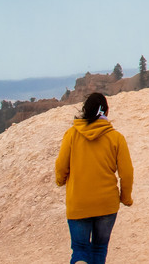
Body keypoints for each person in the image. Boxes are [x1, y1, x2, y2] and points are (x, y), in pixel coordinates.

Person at [54, 91, 132, 264]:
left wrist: (60, 180)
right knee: (99, 248)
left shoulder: (71, 134)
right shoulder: (116, 138)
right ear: (106, 111)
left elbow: (61, 165)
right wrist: (125, 198)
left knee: (80, 249)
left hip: (79, 202)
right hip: (106, 203)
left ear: (85, 110)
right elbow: (127, 173)